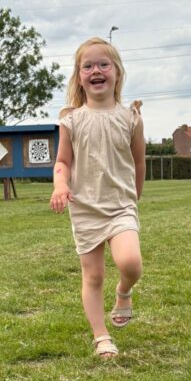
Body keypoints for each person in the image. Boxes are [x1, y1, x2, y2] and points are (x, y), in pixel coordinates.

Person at [50, 37, 145, 358]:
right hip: (86, 208)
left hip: (120, 205)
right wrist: (60, 185)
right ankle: (101, 336)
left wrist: (136, 197)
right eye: (87, 66)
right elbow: (62, 162)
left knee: (130, 263)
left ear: (117, 73)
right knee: (93, 276)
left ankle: (124, 292)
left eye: (103, 64)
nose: (96, 70)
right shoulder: (71, 120)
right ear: (79, 77)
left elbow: (139, 161)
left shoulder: (130, 118)